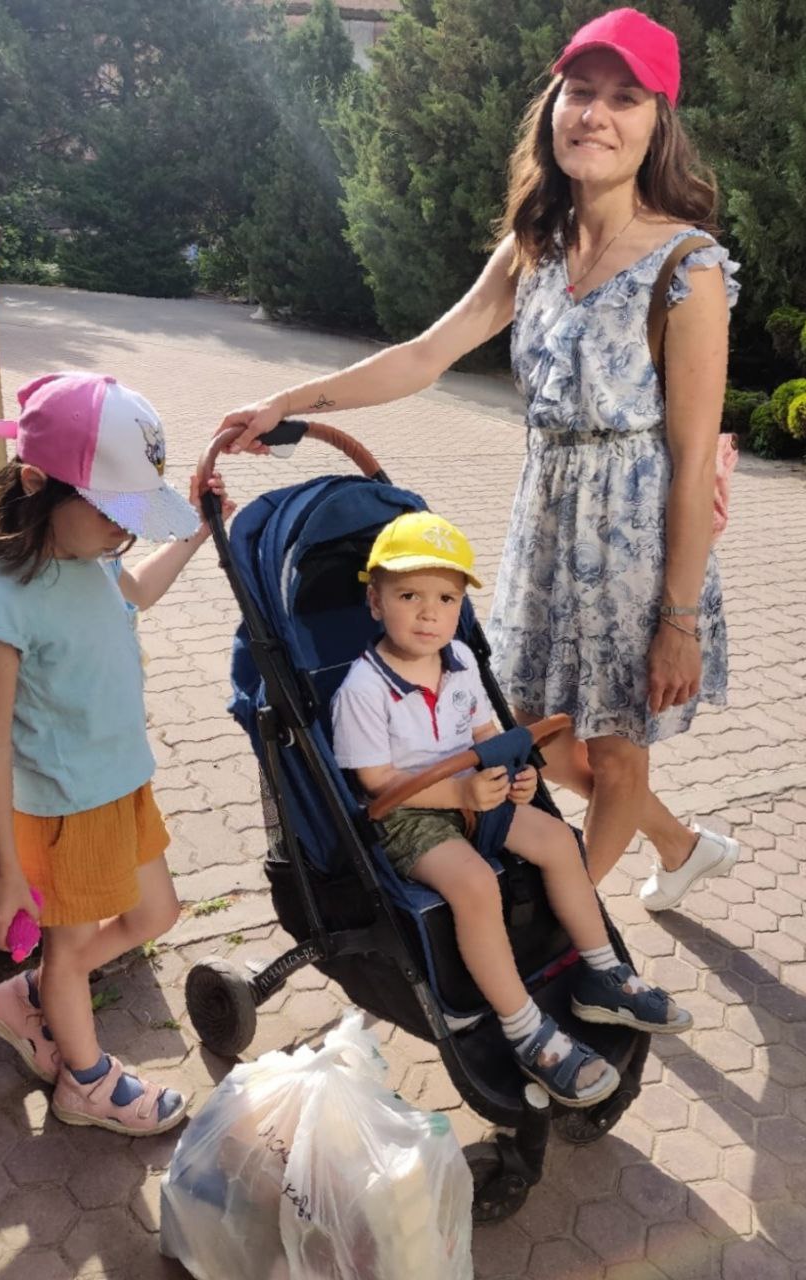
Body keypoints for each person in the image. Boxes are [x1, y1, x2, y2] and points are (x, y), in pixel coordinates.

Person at [216, 8, 740, 908]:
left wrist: (679, 619)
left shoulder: (685, 268)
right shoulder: (534, 247)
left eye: (624, 98)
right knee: (535, 734)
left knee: (616, 754)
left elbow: (692, 462)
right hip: (546, 524)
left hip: (635, 541)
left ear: (658, 124)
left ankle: (571, 941)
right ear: (553, 107)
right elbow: (424, 355)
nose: (595, 114)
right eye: (580, 92)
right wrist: (289, 404)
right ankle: (680, 846)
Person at [332, 511, 691, 1109]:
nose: (428, 613)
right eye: (409, 596)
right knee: (475, 884)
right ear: (376, 602)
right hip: (407, 815)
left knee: (559, 840)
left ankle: (602, 972)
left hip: (474, 793)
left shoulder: (461, 662)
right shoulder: (363, 690)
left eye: (446, 599)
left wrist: (515, 775)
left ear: (461, 607)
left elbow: (485, 735)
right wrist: (461, 794)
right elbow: (378, 787)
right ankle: (525, 1029)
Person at [0, 371, 234, 1136]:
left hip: (122, 787)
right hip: (63, 812)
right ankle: (83, 1081)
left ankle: (34, 992)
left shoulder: (95, 560)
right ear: (35, 483)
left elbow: (136, 592)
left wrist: (195, 532)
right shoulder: (3, 600)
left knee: (158, 912)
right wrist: (6, 872)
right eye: (115, 512)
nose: (126, 532)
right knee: (72, 949)